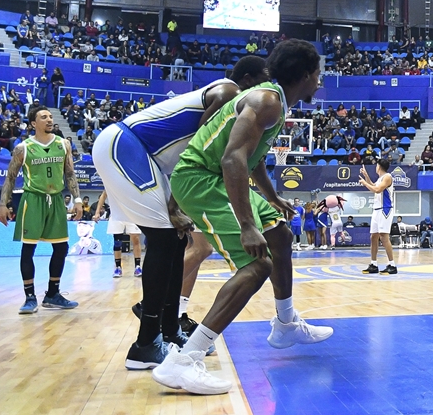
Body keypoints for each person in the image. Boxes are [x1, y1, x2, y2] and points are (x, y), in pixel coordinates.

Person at [152, 39, 332, 395]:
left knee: (280, 234)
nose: (320, 83)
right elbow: (233, 159)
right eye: (319, 76)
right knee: (257, 264)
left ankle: (285, 323)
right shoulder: (267, 101)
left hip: (216, 175)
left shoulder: (272, 100)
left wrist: (271, 196)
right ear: (307, 75)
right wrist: (248, 225)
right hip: (202, 179)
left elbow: (253, 157)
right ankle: (184, 361)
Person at [98, 57, 270, 365]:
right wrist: (176, 203)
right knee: (165, 241)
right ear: (246, 80)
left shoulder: (241, 111)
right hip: (127, 145)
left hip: (146, 157)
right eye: (263, 82)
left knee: (176, 240)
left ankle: (168, 329)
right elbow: (198, 147)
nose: (267, 91)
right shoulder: (229, 93)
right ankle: (145, 344)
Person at [0, 104, 82, 314]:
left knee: (61, 248)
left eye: (50, 116)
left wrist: (78, 199)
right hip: (33, 200)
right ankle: (29, 297)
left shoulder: (63, 144)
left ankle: (53, 294)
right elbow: (10, 177)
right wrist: (3, 204)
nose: (49, 119)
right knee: (28, 249)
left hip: (56, 200)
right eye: (44, 117)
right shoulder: (23, 148)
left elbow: (70, 174)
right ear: (34, 123)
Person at [358, 158, 397, 274]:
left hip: (385, 210)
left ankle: (392, 265)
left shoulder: (388, 177)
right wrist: (366, 177)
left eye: (376, 165)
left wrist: (364, 183)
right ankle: (374, 264)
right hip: (376, 209)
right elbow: (374, 185)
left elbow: (377, 190)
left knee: (384, 237)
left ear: (379, 166)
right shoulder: (381, 178)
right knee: (373, 236)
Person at [93, 190, 144, 278]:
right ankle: (118, 267)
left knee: (135, 239)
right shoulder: (112, 180)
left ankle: (138, 266)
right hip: (117, 215)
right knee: (117, 242)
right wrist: (97, 212)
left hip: (132, 214)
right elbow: (103, 196)